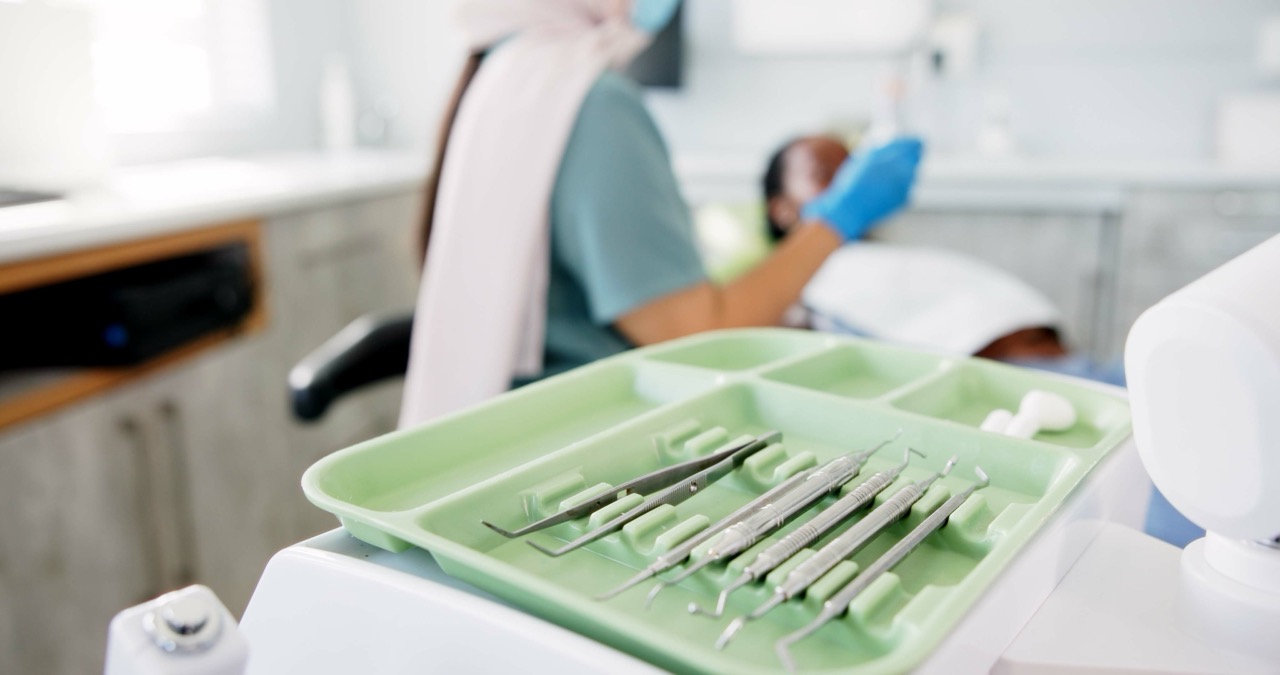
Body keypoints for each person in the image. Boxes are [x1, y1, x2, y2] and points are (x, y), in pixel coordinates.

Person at [398, 0, 923, 427]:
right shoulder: (594, 105)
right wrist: (838, 217)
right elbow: (698, 334)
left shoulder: (511, 73)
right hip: (582, 451)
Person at [763, 134, 1069, 362]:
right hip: (1013, 365)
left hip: (1049, 351)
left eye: (851, 169)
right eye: (823, 174)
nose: (848, 184)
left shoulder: (876, 255)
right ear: (781, 210)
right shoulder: (799, 291)